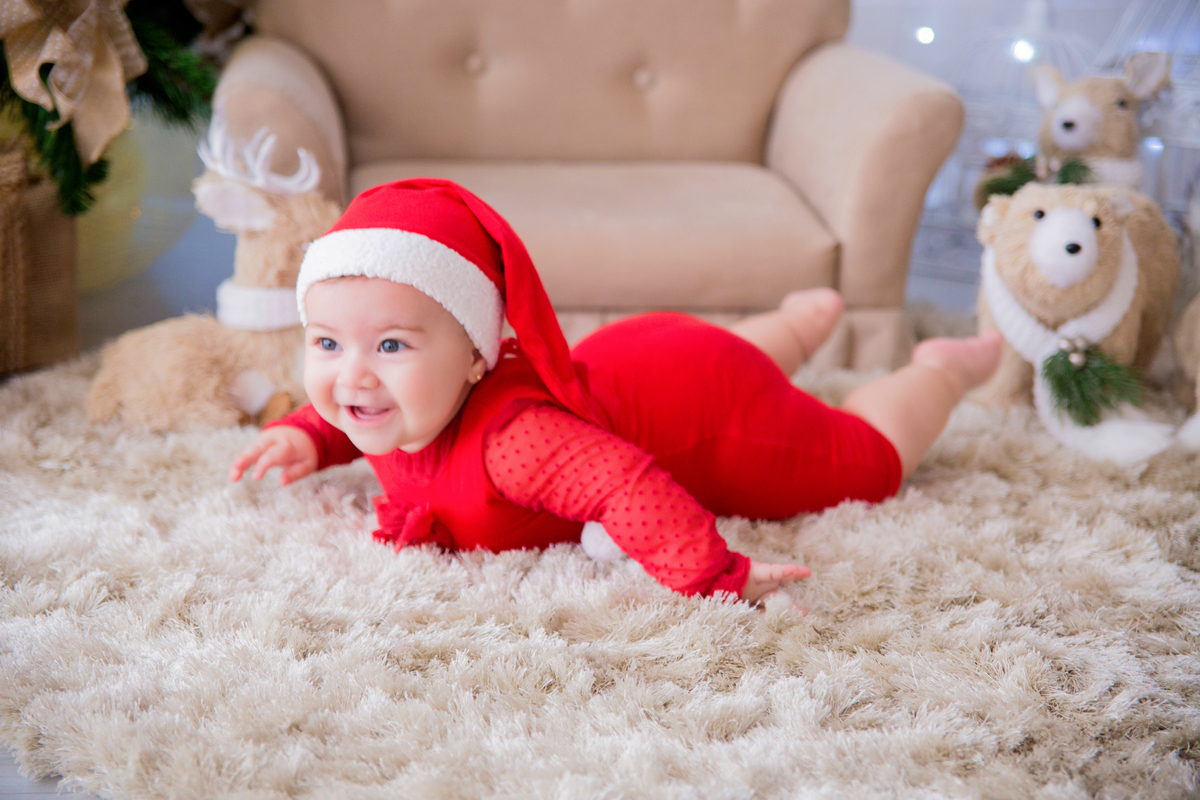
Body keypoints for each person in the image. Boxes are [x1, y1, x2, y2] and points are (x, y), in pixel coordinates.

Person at [230, 179, 1002, 606]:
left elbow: (624, 486)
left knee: (861, 461)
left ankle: (939, 370)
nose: (352, 374)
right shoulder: (391, 397)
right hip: (643, 357)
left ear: (477, 357)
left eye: (391, 345)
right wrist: (310, 432)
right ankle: (797, 324)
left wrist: (713, 572)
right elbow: (355, 410)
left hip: (708, 408)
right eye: (327, 342)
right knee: (727, 356)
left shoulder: (516, 444)